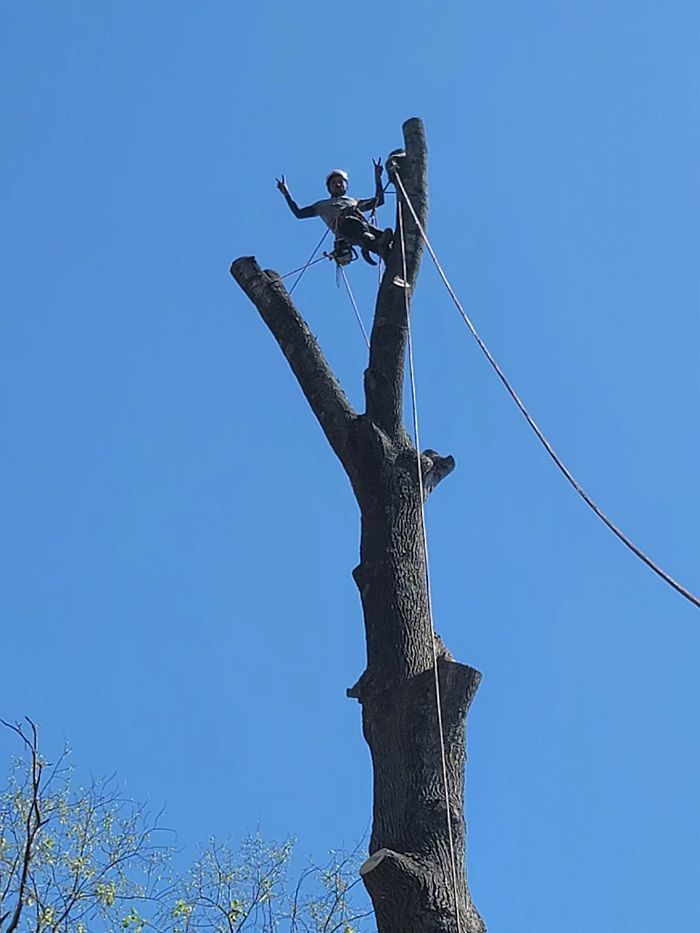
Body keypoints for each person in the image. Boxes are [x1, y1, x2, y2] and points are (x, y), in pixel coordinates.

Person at [276, 161, 393, 265]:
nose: (337, 184)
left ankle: (386, 249)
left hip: (361, 225)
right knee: (359, 230)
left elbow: (379, 201)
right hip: (345, 228)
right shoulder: (322, 206)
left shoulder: (354, 201)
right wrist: (287, 194)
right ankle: (376, 247)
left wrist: (378, 178)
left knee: (381, 234)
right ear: (329, 188)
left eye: (340, 182)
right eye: (334, 183)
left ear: (346, 186)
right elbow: (299, 213)